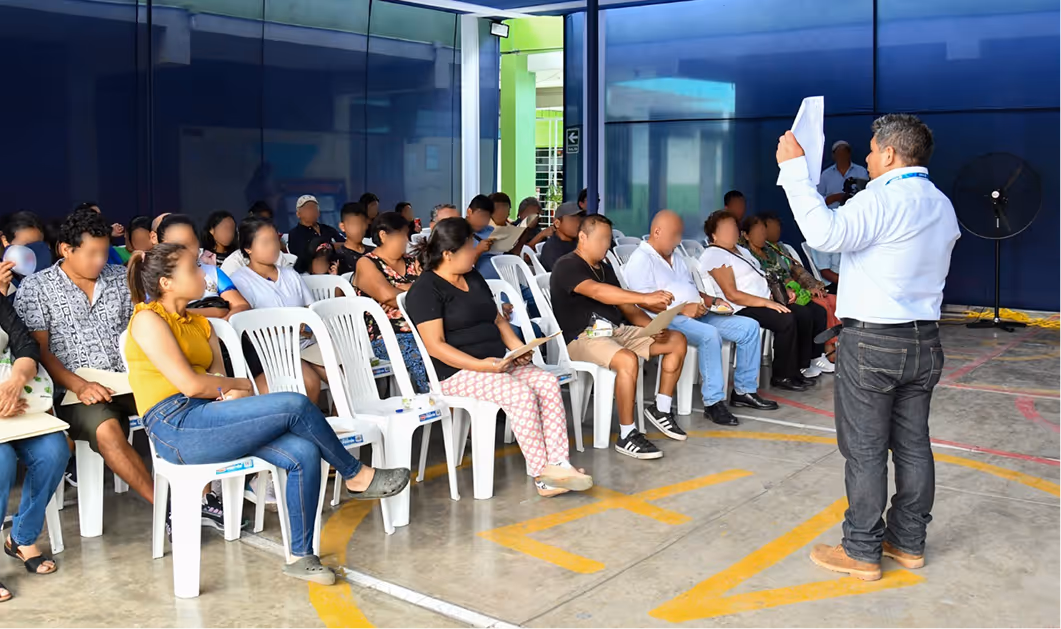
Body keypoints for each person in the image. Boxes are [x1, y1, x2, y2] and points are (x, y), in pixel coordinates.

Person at [126, 243, 410, 585]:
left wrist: (230, 388)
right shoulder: (147, 319)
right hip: (176, 426)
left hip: (210, 417)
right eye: (193, 269)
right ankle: (355, 473)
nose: (204, 275)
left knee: (303, 452)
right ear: (166, 283)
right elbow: (190, 385)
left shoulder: (200, 324)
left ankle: (302, 556)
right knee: (294, 403)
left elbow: (215, 381)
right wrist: (239, 383)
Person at [776, 114, 959, 580]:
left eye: (873, 150)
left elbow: (825, 235)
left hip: (873, 340)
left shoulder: (883, 198)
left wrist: (796, 174)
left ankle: (861, 549)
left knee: (865, 449)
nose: (868, 158)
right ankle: (908, 543)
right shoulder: (940, 204)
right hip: (924, 340)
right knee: (914, 445)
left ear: (892, 154)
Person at [405, 218, 593, 497]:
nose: (475, 252)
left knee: (547, 383)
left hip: (495, 365)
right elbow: (435, 346)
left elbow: (498, 320)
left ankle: (559, 464)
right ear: (448, 254)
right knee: (519, 394)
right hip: (455, 374)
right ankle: (543, 475)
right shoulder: (425, 290)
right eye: (470, 247)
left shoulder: (472, 276)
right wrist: (481, 366)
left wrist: (518, 349)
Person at [14, 209, 155, 507]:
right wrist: (80, 385)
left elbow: (145, 328)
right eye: (92, 253)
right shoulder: (37, 288)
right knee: (107, 429)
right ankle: (169, 508)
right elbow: (39, 351)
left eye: (104, 252)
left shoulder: (120, 278)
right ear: (66, 249)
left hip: (129, 381)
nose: (101, 261)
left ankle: (204, 496)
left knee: (179, 404)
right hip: (73, 393)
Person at [551, 214, 688, 459]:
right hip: (581, 338)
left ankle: (662, 409)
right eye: (602, 239)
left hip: (615, 331)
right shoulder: (567, 264)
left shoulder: (604, 267)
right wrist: (645, 297)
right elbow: (598, 292)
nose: (607, 244)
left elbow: (627, 309)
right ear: (583, 237)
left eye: (609, 239)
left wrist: (653, 326)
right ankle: (627, 434)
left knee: (676, 341)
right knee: (627, 360)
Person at [626, 211, 778, 426]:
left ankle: (744, 391)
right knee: (709, 334)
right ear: (657, 232)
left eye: (680, 235)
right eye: (675, 235)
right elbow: (643, 301)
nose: (678, 240)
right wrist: (682, 309)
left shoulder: (674, 256)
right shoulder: (641, 259)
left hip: (695, 312)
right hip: (666, 318)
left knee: (749, 327)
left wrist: (710, 301)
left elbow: (691, 288)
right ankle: (713, 402)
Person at [699, 210, 824, 392]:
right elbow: (732, 294)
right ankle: (782, 375)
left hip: (762, 299)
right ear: (714, 235)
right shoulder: (715, 255)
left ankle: (798, 370)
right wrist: (767, 302)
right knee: (786, 319)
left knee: (806, 312)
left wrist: (782, 291)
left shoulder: (741, 250)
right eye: (725, 229)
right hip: (740, 307)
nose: (732, 231)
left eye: (733, 227)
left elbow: (762, 276)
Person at [0, 295, 69, 603]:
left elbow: (26, 346)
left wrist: (15, 383)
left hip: (15, 407)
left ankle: (21, 538)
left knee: (53, 450)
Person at [229, 217, 325, 402]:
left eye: (275, 240)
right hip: (273, 351)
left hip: (306, 344)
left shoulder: (290, 275)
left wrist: (306, 326)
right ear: (248, 248)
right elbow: (248, 328)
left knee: (344, 371)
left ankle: (341, 422)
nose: (273, 247)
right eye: (265, 242)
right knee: (309, 382)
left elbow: (310, 310)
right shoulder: (240, 280)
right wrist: (292, 328)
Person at [747, 214, 838, 371]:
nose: (764, 234)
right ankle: (812, 358)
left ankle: (819, 354)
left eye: (763, 231)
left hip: (791, 292)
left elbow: (795, 271)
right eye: (759, 231)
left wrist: (811, 285)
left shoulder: (772, 251)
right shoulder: (748, 254)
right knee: (809, 311)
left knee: (828, 303)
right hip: (773, 296)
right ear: (746, 235)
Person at [354, 213, 429, 393]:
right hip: (387, 336)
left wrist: (405, 290)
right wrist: (415, 290)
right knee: (421, 355)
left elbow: (434, 292)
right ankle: (435, 401)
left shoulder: (414, 262)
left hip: (423, 328)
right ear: (383, 235)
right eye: (401, 235)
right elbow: (388, 297)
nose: (406, 240)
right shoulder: (367, 263)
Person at [155, 214, 251, 322]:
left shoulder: (212, 272)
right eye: (177, 246)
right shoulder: (157, 278)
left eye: (190, 243)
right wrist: (217, 311)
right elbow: (164, 314)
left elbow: (241, 305)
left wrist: (222, 326)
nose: (185, 251)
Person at [287, 195, 344, 259]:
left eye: (314, 207)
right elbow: (302, 257)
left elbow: (346, 245)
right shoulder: (295, 234)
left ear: (318, 212)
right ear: (298, 214)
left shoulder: (328, 229)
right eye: (308, 208)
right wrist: (331, 246)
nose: (312, 210)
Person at [539, 201, 583, 271]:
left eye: (579, 220)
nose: (578, 224)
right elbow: (563, 277)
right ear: (557, 223)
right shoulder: (552, 249)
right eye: (572, 220)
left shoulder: (578, 243)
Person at [465, 195, 501, 280]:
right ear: (469, 212)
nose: (483, 221)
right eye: (481, 215)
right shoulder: (459, 232)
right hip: (487, 284)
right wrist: (478, 250)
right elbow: (462, 267)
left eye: (487, 217)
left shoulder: (491, 231)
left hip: (507, 277)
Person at [334, 202, 374, 275]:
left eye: (361, 224)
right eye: (353, 224)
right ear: (342, 227)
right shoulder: (337, 258)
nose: (358, 229)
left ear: (367, 225)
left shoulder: (375, 252)